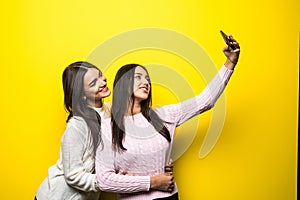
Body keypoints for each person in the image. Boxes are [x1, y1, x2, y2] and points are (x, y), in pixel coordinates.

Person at [95, 35, 240, 199]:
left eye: (147, 78)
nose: (146, 82)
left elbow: (205, 100)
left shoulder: (164, 115)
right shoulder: (107, 127)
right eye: (138, 77)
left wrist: (230, 63)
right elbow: (104, 179)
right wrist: (152, 182)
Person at [35, 61, 174, 200]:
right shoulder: (77, 126)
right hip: (58, 196)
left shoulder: (112, 110)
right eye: (93, 83)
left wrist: (159, 161)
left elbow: (133, 142)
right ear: (82, 95)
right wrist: (111, 181)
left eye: (100, 76)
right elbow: (73, 176)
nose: (102, 82)